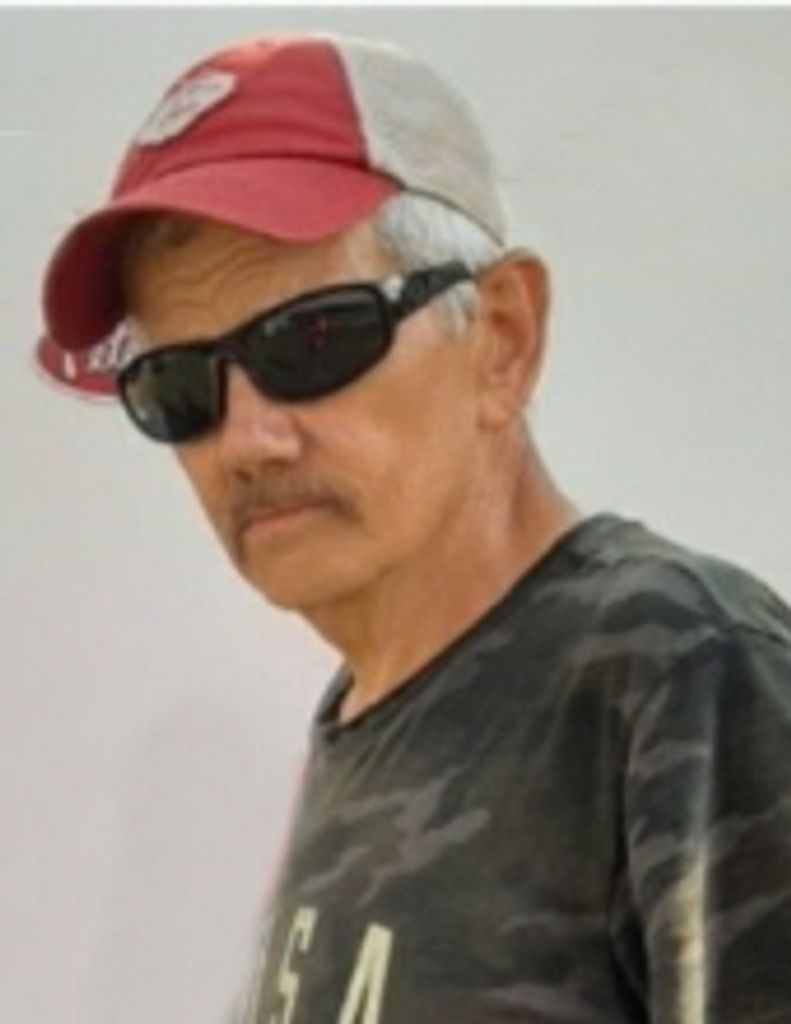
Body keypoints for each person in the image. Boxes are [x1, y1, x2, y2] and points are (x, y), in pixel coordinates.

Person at [41, 31, 791, 1024]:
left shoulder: (676, 667)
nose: (247, 440)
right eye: (175, 384)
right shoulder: (363, 718)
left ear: (502, 337)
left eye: (313, 337)